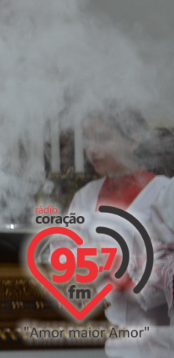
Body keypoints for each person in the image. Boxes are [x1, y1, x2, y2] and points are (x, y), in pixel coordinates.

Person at [58, 105, 172, 326]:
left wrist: (120, 266)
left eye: (103, 138)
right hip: (108, 333)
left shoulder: (165, 193)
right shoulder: (85, 197)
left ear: (133, 141)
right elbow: (61, 253)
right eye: (88, 139)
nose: (92, 149)